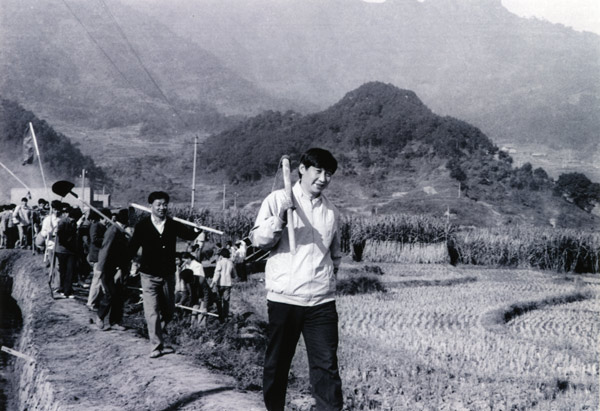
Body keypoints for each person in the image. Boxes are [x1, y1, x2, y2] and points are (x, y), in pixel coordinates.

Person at [250, 148, 343, 411]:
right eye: (318, 171)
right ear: (301, 169)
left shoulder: (331, 211)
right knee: (278, 362)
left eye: (329, 174)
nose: (323, 178)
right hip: (284, 298)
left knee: (326, 366)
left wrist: (326, 281)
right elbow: (258, 240)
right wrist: (280, 216)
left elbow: (334, 256)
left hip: (322, 302)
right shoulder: (278, 199)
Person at [128, 191, 202, 358]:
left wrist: (197, 228)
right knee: (151, 311)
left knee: (168, 311)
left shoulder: (173, 224)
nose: (162, 208)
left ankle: (157, 332)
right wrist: (122, 265)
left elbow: (189, 235)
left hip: (168, 274)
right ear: (151, 207)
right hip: (148, 275)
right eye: (158, 205)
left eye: (164, 204)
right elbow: (131, 248)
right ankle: (156, 345)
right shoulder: (143, 226)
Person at [95, 209, 130, 331]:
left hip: (120, 268)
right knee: (110, 293)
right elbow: (105, 250)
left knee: (119, 295)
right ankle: (100, 316)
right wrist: (100, 269)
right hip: (109, 268)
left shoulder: (122, 231)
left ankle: (115, 321)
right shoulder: (113, 231)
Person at [86, 209, 108, 311]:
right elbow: (94, 239)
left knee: (99, 279)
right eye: (106, 218)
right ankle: (91, 303)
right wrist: (107, 240)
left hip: (100, 255)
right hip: (97, 256)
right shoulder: (96, 226)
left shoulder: (102, 226)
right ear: (101, 218)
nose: (107, 221)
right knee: (97, 279)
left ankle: (95, 301)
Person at [54, 204, 78, 299]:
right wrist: (70, 242)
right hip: (62, 250)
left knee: (70, 270)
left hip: (71, 251)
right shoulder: (62, 222)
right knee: (63, 271)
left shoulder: (74, 222)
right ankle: (63, 289)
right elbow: (61, 237)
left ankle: (68, 290)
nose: (73, 220)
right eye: (72, 218)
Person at [210, 248, 236, 323]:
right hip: (228, 284)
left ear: (221, 255)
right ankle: (225, 317)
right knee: (226, 301)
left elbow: (217, 273)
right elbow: (234, 274)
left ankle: (220, 316)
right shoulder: (231, 262)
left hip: (220, 283)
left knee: (219, 300)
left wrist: (213, 283)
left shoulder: (220, 262)